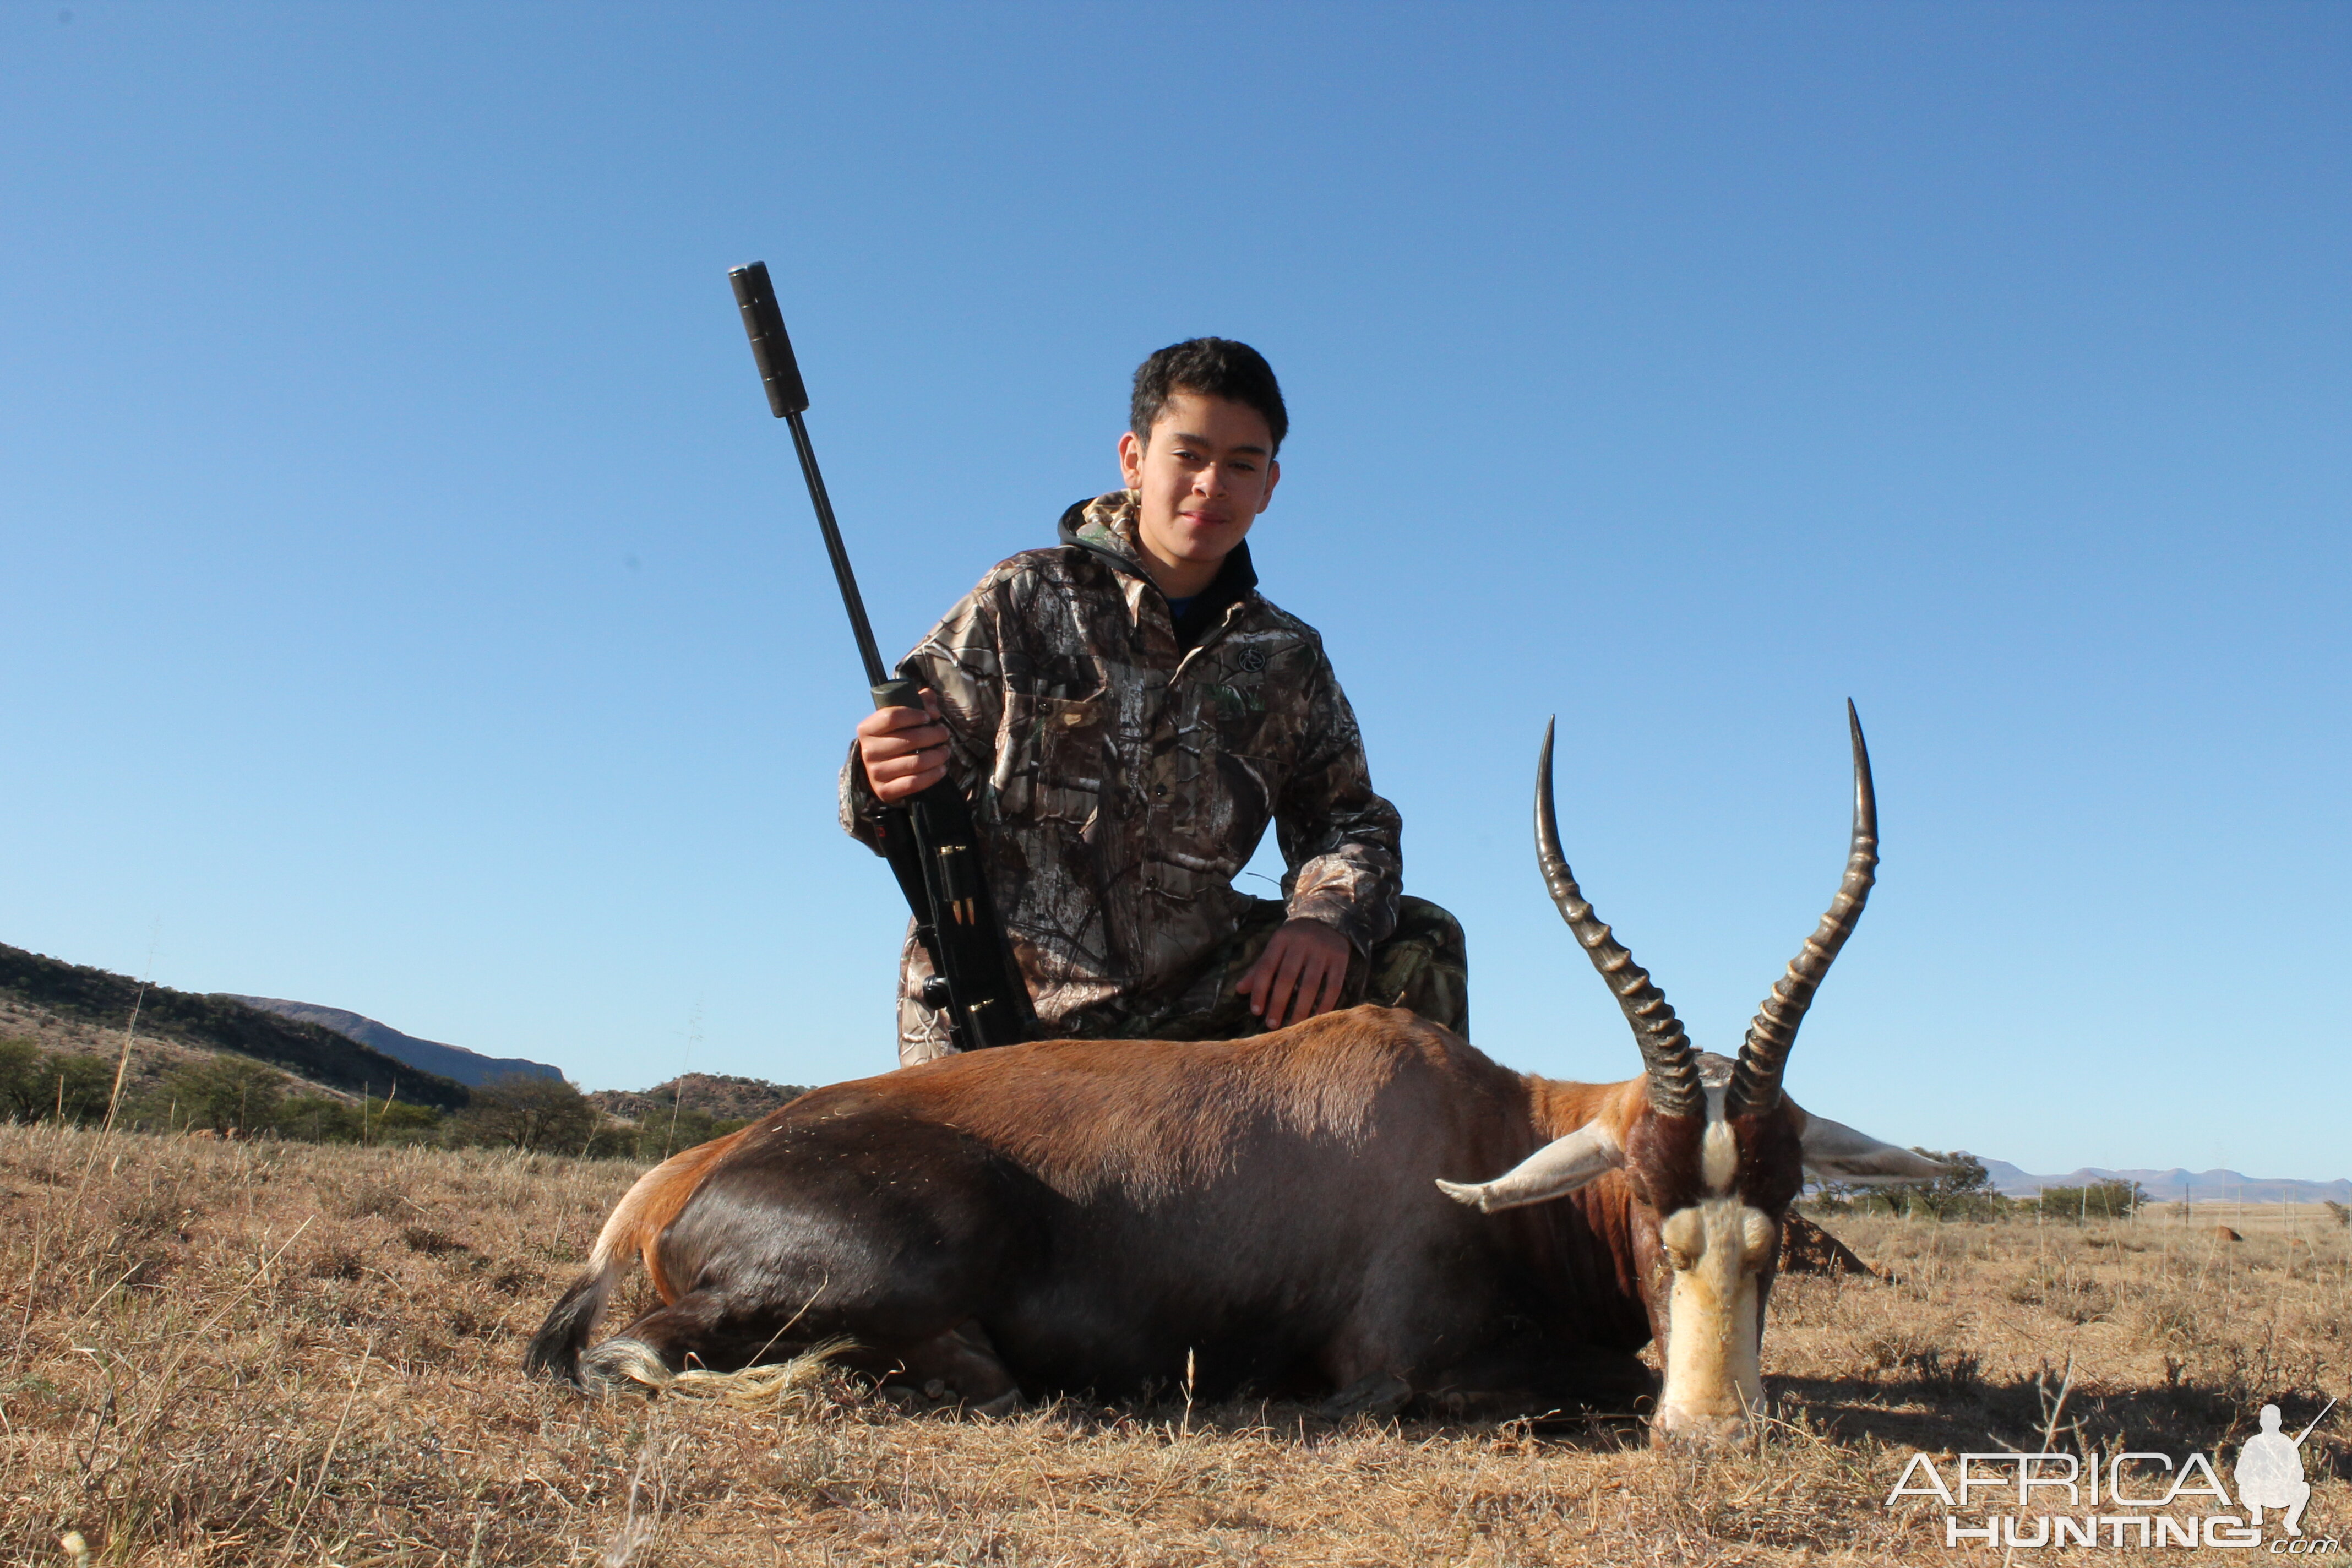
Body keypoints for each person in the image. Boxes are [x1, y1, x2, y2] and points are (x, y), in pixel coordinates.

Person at [840, 338, 1466, 1065]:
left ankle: (1413, 1181)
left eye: (1242, 465)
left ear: (1270, 485)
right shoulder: (1021, 597)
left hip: (1192, 1003)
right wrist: (878, 773)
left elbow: (1351, 824)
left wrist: (1327, 917)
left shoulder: (1289, 658)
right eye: (1188, 456)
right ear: (1134, 459)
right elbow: (885, 802)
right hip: (1009, 998)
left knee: (1422, 941)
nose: (1211, 484)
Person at [2234, 1403, 2313, 1535]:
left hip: (2280, 1493)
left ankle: (2291, 1522)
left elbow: (2299, 1474)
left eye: (2272, 1420)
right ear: (2261, 1422)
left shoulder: (2287, 1444)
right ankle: (2256, 1514)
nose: (2270, 1423)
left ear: (2279, 1422)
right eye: (2268, 1420)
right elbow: (2240, 1474)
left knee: (2304, 1488)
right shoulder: (2254, 1443)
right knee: (2243, 1487)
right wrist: (2257, 1479)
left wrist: (2285, 1477)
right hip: (2258, 1494)